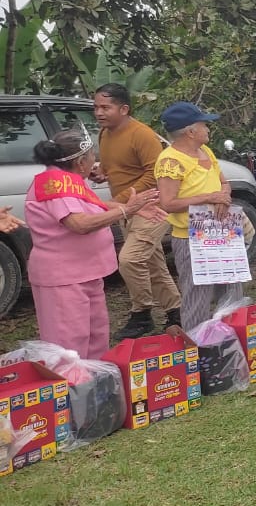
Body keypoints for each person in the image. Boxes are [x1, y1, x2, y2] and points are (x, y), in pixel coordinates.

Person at [25, 129, 163, 360]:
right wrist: (125, 210)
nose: (94, 162)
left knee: (96, 334)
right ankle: (72, 382)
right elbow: (79, 224)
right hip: (64, 276)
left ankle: (95, 377)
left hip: (86, 272)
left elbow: (93, 203)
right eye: (92, 156)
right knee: (70, 343)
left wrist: (132, 208)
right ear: (80, 162)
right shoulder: (56, 185)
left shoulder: (69, 180)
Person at [93, 82, 184, 338]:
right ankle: (176, 312)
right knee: (153, 265)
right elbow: (118, 167)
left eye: (105, 107)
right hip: (128, 210)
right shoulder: (105, 133)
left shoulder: (142, 134)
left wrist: (122, 199)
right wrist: (102, 173)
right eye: (96, 107)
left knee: (130, 259)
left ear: (124, 109)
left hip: (152, 208)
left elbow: (154, 174)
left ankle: (141, 313)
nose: (99, 113)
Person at [154, 102, 243, 329]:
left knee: (231, 288)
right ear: (190, 131)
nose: (208, 129)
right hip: (191, 238)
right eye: (204, 124)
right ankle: (197, 342)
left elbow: (224, 183)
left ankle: (231, 338)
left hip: (222, 233)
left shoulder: (206, 151)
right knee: (197, 295)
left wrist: (223, 196)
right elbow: (168, 203)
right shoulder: (170, 161)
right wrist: (208, 197)